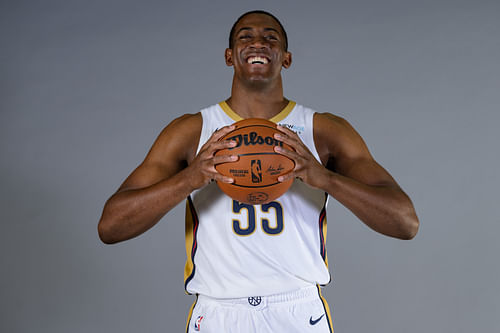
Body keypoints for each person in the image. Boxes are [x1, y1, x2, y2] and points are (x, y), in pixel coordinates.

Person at [98, 10, 419, 333]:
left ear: (287, 58)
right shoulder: (192, 131)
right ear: (229, 56)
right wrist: (189, 178)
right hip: (219, 311)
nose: (258, 43)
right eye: (245, 36)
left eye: (270, 37)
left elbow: (405, 222)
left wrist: (325, 179)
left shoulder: (322, 130)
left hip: (297, 309)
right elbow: (111, 226)